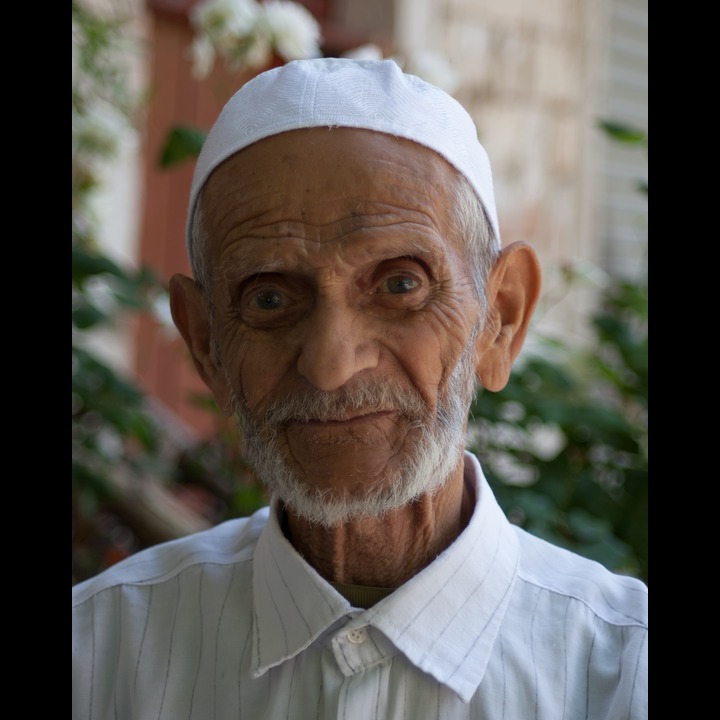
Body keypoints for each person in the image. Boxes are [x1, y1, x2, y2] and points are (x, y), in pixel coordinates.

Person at [72, 57, 647, 719]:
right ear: (207, 344)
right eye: (268, 298)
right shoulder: (98, 656)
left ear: (501, 318)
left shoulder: (623, 675)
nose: (330, 365)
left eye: (400, 284)